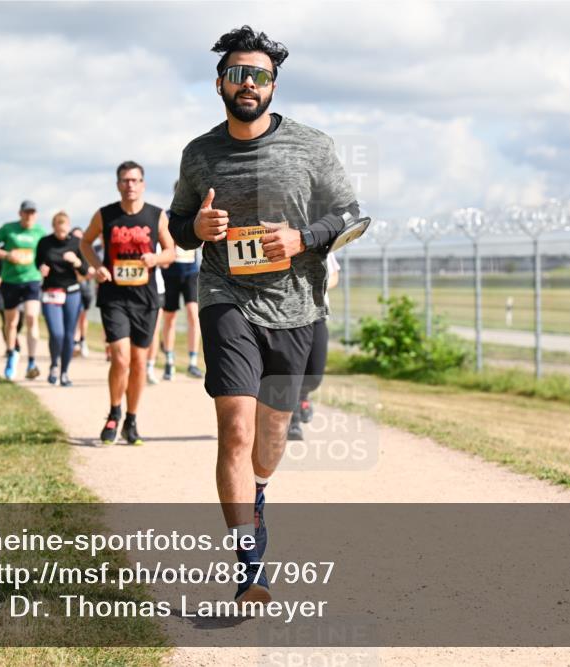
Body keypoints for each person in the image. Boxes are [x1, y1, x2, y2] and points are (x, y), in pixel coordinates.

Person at [167, 26, 359, 605]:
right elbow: (178, 226)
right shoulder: (199, 154)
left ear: (273, 85)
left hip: (295, 304)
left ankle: (258, 490)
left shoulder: (312, 146)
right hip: (226, 294)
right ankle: (249, 561)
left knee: (272, 432)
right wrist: (194, 230)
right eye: (236, 74)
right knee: (236, 426)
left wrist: (302, 238)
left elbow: (350, 215)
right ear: (219, 83)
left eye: (258, 75)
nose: (247, 84)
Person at [79, 161, 175, 446]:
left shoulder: (156, 216)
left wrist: (155, 258)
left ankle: (131, 420)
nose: (130, 185)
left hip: (145, 297)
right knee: (120, 357)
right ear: (118, 184)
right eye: (124, 180)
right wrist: (97, 266)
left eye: (135, 180)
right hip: (114, 296)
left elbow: (170, 251)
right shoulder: (105, 214)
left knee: (139, 362)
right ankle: (114, 412)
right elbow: (85, 243)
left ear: (143, 183)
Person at [0, 201, 48, 380]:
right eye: (26, 212)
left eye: (33, 213)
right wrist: (7, 255)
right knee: (11, 322)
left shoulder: (40, 232)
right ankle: (11, 353)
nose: (29, 216)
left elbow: (46, 255)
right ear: (20, 213)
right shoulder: (8, 229)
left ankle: (31, 361)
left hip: (32, 279)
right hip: (10, 280)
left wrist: (45, 266)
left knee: (31, 318)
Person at [288, 251, 340, 440]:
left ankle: (302, 397)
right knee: (291, 371)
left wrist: (320, 284)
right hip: (288, 318)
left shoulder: (323, 239)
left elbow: (334, 274)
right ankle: (292, 422)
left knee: (315, 373)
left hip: (317, 313)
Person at [36, 211, 87, 386]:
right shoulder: (45, 243)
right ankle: (54, 365)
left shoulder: (76, 243)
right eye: (58, 229)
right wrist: (41, 267)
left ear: (69, 226)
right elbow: (38, 262)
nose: (62, 233)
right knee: (56, 333)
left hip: (72, 291)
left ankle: (65, 372)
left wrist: (76, 262)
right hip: (51, 291)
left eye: (64, 229)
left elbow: (85, 270)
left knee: (68, 335)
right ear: (54, 227)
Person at [160, 181, 204, 381]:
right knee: (169, 317)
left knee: (193, 315)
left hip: (191, 271)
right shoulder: (167, 216)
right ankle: (169, 361)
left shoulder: (196, 215)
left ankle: (192, 363)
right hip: (170, 272)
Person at [145, 243, 168, 385]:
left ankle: (150, 368)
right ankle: (134, 365)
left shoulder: (157, 234)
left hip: (156, 289)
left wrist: (155, 259)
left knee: (154, 330)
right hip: (130, 288)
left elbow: (167, 262)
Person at [70, 226, 94, 359]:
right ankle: (74, 343)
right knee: (74, 315)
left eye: (80, 237)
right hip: (72, 288)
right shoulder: (69, 252)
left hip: (85, 289)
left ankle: (82, 340)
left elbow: (91, 272)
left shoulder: (88, 252)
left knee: (83, 317)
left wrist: (82, 274)